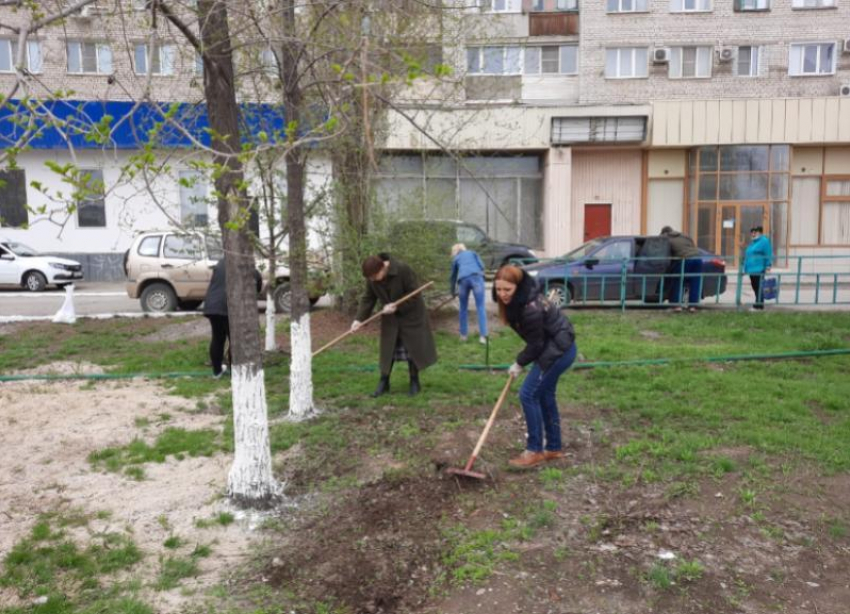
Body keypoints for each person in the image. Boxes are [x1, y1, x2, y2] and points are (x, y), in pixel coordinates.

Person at [492, 265, 577, 469]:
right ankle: (553, 447)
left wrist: (519, 363)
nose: (502, 294)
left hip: (559, 351)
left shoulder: (530, 307)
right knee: (544, 395)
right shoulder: (519, 301)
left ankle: (535, 450)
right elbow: (537, 340)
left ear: (518, 287)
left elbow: (536, 344)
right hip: (554, 347)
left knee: (528, 394)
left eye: (507, 290)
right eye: (498, 289)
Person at [351, 253, 437, 397]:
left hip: (411, 315)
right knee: (388, 351)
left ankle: (414, 381)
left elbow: (415, 294)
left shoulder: (403, 269)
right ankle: (384, 382)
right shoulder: (372, 277)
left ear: (383, 268)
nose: (372, 280)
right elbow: (368, 298)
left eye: (374, 276)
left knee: (412, 350)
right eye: (370, 278)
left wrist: (397, 306)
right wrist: (358, 319)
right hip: (391, 318)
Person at [203, 259, 262, 378]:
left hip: (212, 305)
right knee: (235, 341)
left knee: (218, 338)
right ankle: (235, 373)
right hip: (229, 307)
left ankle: (217, 372)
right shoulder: (247, 265)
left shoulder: (221, 262)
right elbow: (257, 286)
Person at [449, 243, 488, 344]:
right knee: (480, 307)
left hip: (463, 280)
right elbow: (482, 266)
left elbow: (453, 277)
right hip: (477, 278)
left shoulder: (456, 258)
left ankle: (463, 336)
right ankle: (483, 337)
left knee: (463, 308)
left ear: (455, 251)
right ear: (464, 248)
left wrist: (452, 291)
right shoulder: (472, 253)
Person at [661, 226, 702, 313]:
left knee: (678, 281)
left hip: (685, 260)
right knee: (695, 282)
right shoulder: (685, 236)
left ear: (664, 233)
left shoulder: (666, 239)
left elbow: (665, 254)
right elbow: (693, 247)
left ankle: (677, 306)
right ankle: (692, 307)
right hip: (698, 259)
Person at [743, 225, 773, 311]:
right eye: (751, 232)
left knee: (759, 287)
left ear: (760, 232)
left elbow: (768, 253)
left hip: (759, 268)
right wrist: (745, 268)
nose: (753, 234)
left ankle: (759, 305)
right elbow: (748, 255)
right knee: (755, 287)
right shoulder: (753, 243)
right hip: (751, 269)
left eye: (755, 232)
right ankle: (758, 304)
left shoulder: (764, 241)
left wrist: (768, 265)